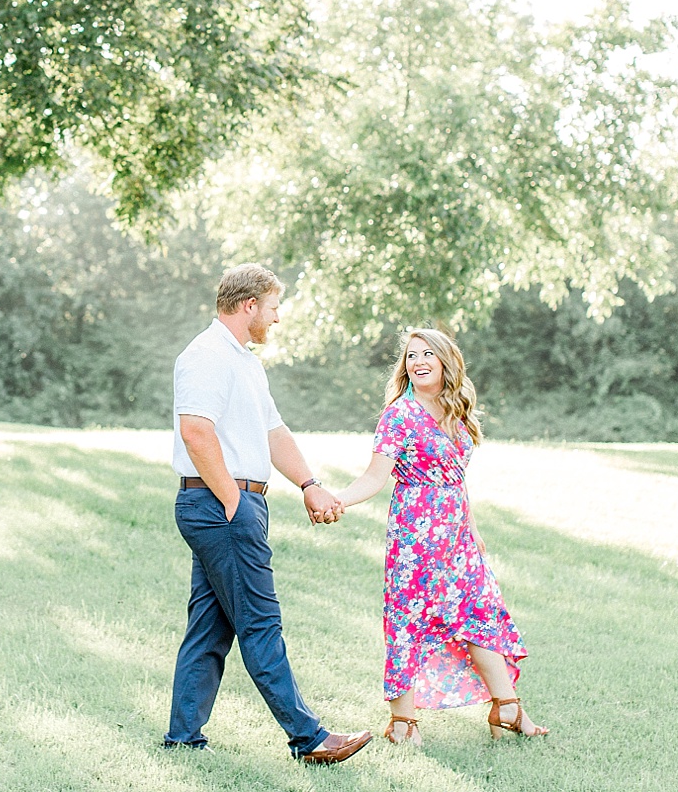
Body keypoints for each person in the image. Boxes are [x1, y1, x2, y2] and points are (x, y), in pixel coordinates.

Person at [163, 263, 373, 764]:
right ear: (249, 304)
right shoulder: (206, 355)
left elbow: (274, 434)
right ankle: (309, 737)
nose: (277, 319)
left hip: (235, 502)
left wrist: (310, 484)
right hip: (220, 503)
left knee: (211, 625)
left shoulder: (245, 363)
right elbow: (196, 430)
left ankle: (182, 736)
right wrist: (232, 501)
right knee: (260, 622)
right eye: (274, 307)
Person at [332, 327, 547, 746]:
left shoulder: (455, 411)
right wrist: (337, 500)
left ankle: (508, 707)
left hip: (458, 536)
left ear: (447, 361)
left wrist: (473, 528)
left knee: (479, 614)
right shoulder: (400, 415)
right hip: (416, 537)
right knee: (408, 620)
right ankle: (402, 723)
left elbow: (457, 478)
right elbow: (376, 475)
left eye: (428, 353)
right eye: (412, 356)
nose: (418, 361)